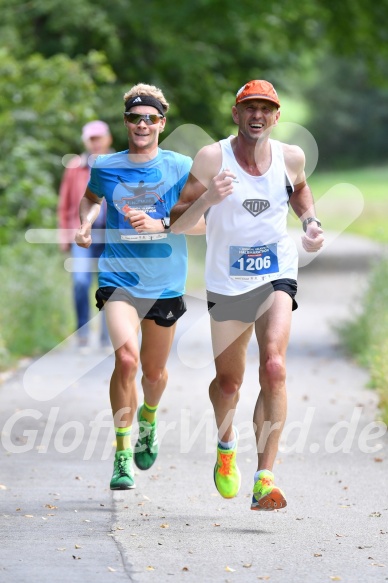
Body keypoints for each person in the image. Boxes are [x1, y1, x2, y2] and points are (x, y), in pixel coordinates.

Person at [170, 80, 324, 510]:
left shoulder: (291, 156)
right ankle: (225, 444)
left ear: (276, 117)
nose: (257, 115)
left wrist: (310, 222)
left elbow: (300, 190)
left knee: (273, 366)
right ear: (236, 114)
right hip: (227, 280)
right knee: (229, 382)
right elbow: (177, 222)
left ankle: (264, 477)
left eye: (266, 109)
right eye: (249, 108)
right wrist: (209, 200)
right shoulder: (211, 158)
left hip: (276, 273)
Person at [74, 83, 204, 490]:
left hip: (165, 282)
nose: (142, 124)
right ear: (126, 122)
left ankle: (148, 416)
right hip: (119, 278)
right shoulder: (106, 165)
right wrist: (85, 221)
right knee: (126, 361)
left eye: (150, 118)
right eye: (135, 118)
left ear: (162, 124)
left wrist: (162, 225)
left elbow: (203, 223)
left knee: (154, 373)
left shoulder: (182, 166)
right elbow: (91, 198)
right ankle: (122, 454)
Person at [58, 120, 112, 349]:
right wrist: (64, 235)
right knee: (80, 281)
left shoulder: (119, 164)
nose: (96, 142)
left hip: (110, 235)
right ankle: (82, 331)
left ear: (108, 139)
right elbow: (65, 203)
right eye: (91, 139)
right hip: (82, 235)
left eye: (99, 138)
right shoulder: (75, 166)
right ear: (85, 141)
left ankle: (107, 335)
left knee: (109, 284)